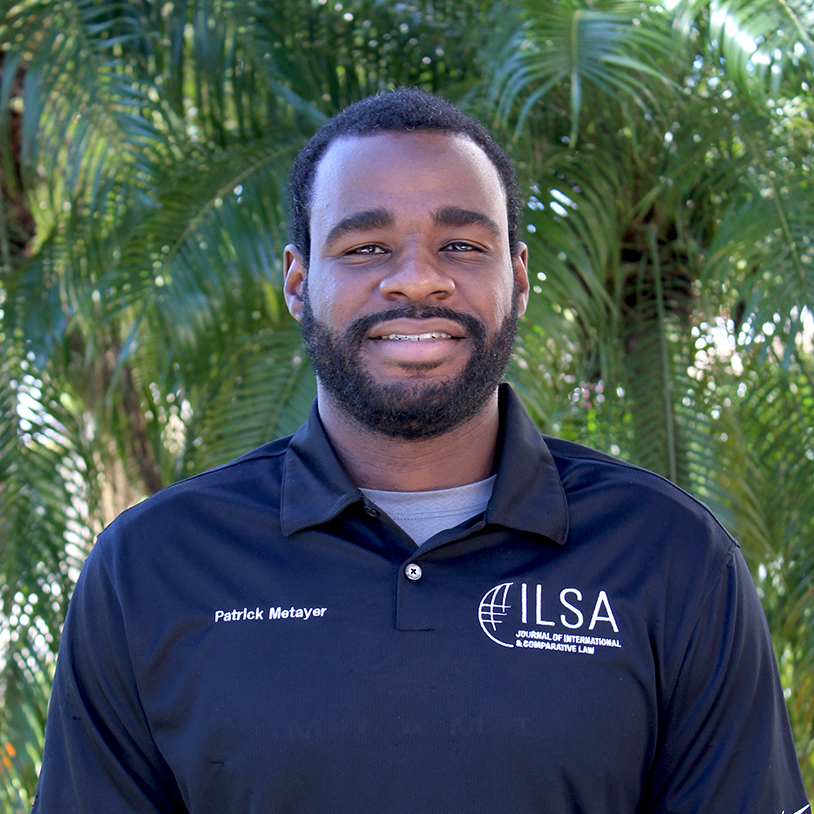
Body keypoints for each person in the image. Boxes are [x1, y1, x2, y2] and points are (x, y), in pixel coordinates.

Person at [32, 89, 809, 813]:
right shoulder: (152, 567)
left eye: (463, 244)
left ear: (518, 278)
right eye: (367, 246)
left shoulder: (671, 557)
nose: (417, 281)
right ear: (298, 282)